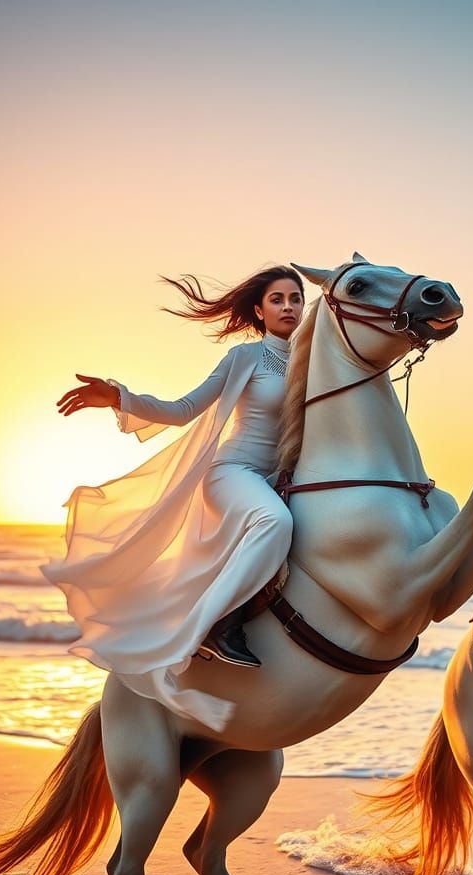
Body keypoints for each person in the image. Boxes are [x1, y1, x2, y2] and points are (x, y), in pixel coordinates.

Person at [42, 265, 305, 730]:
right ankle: (212, 628)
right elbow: (183, 411)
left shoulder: (313, 361)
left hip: (283, 480)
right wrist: (120, 397)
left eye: (296, 299)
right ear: (260, 312)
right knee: (276, 525)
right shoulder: (245, 359)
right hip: (235, 473)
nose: (289, 307)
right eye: (278, 299)